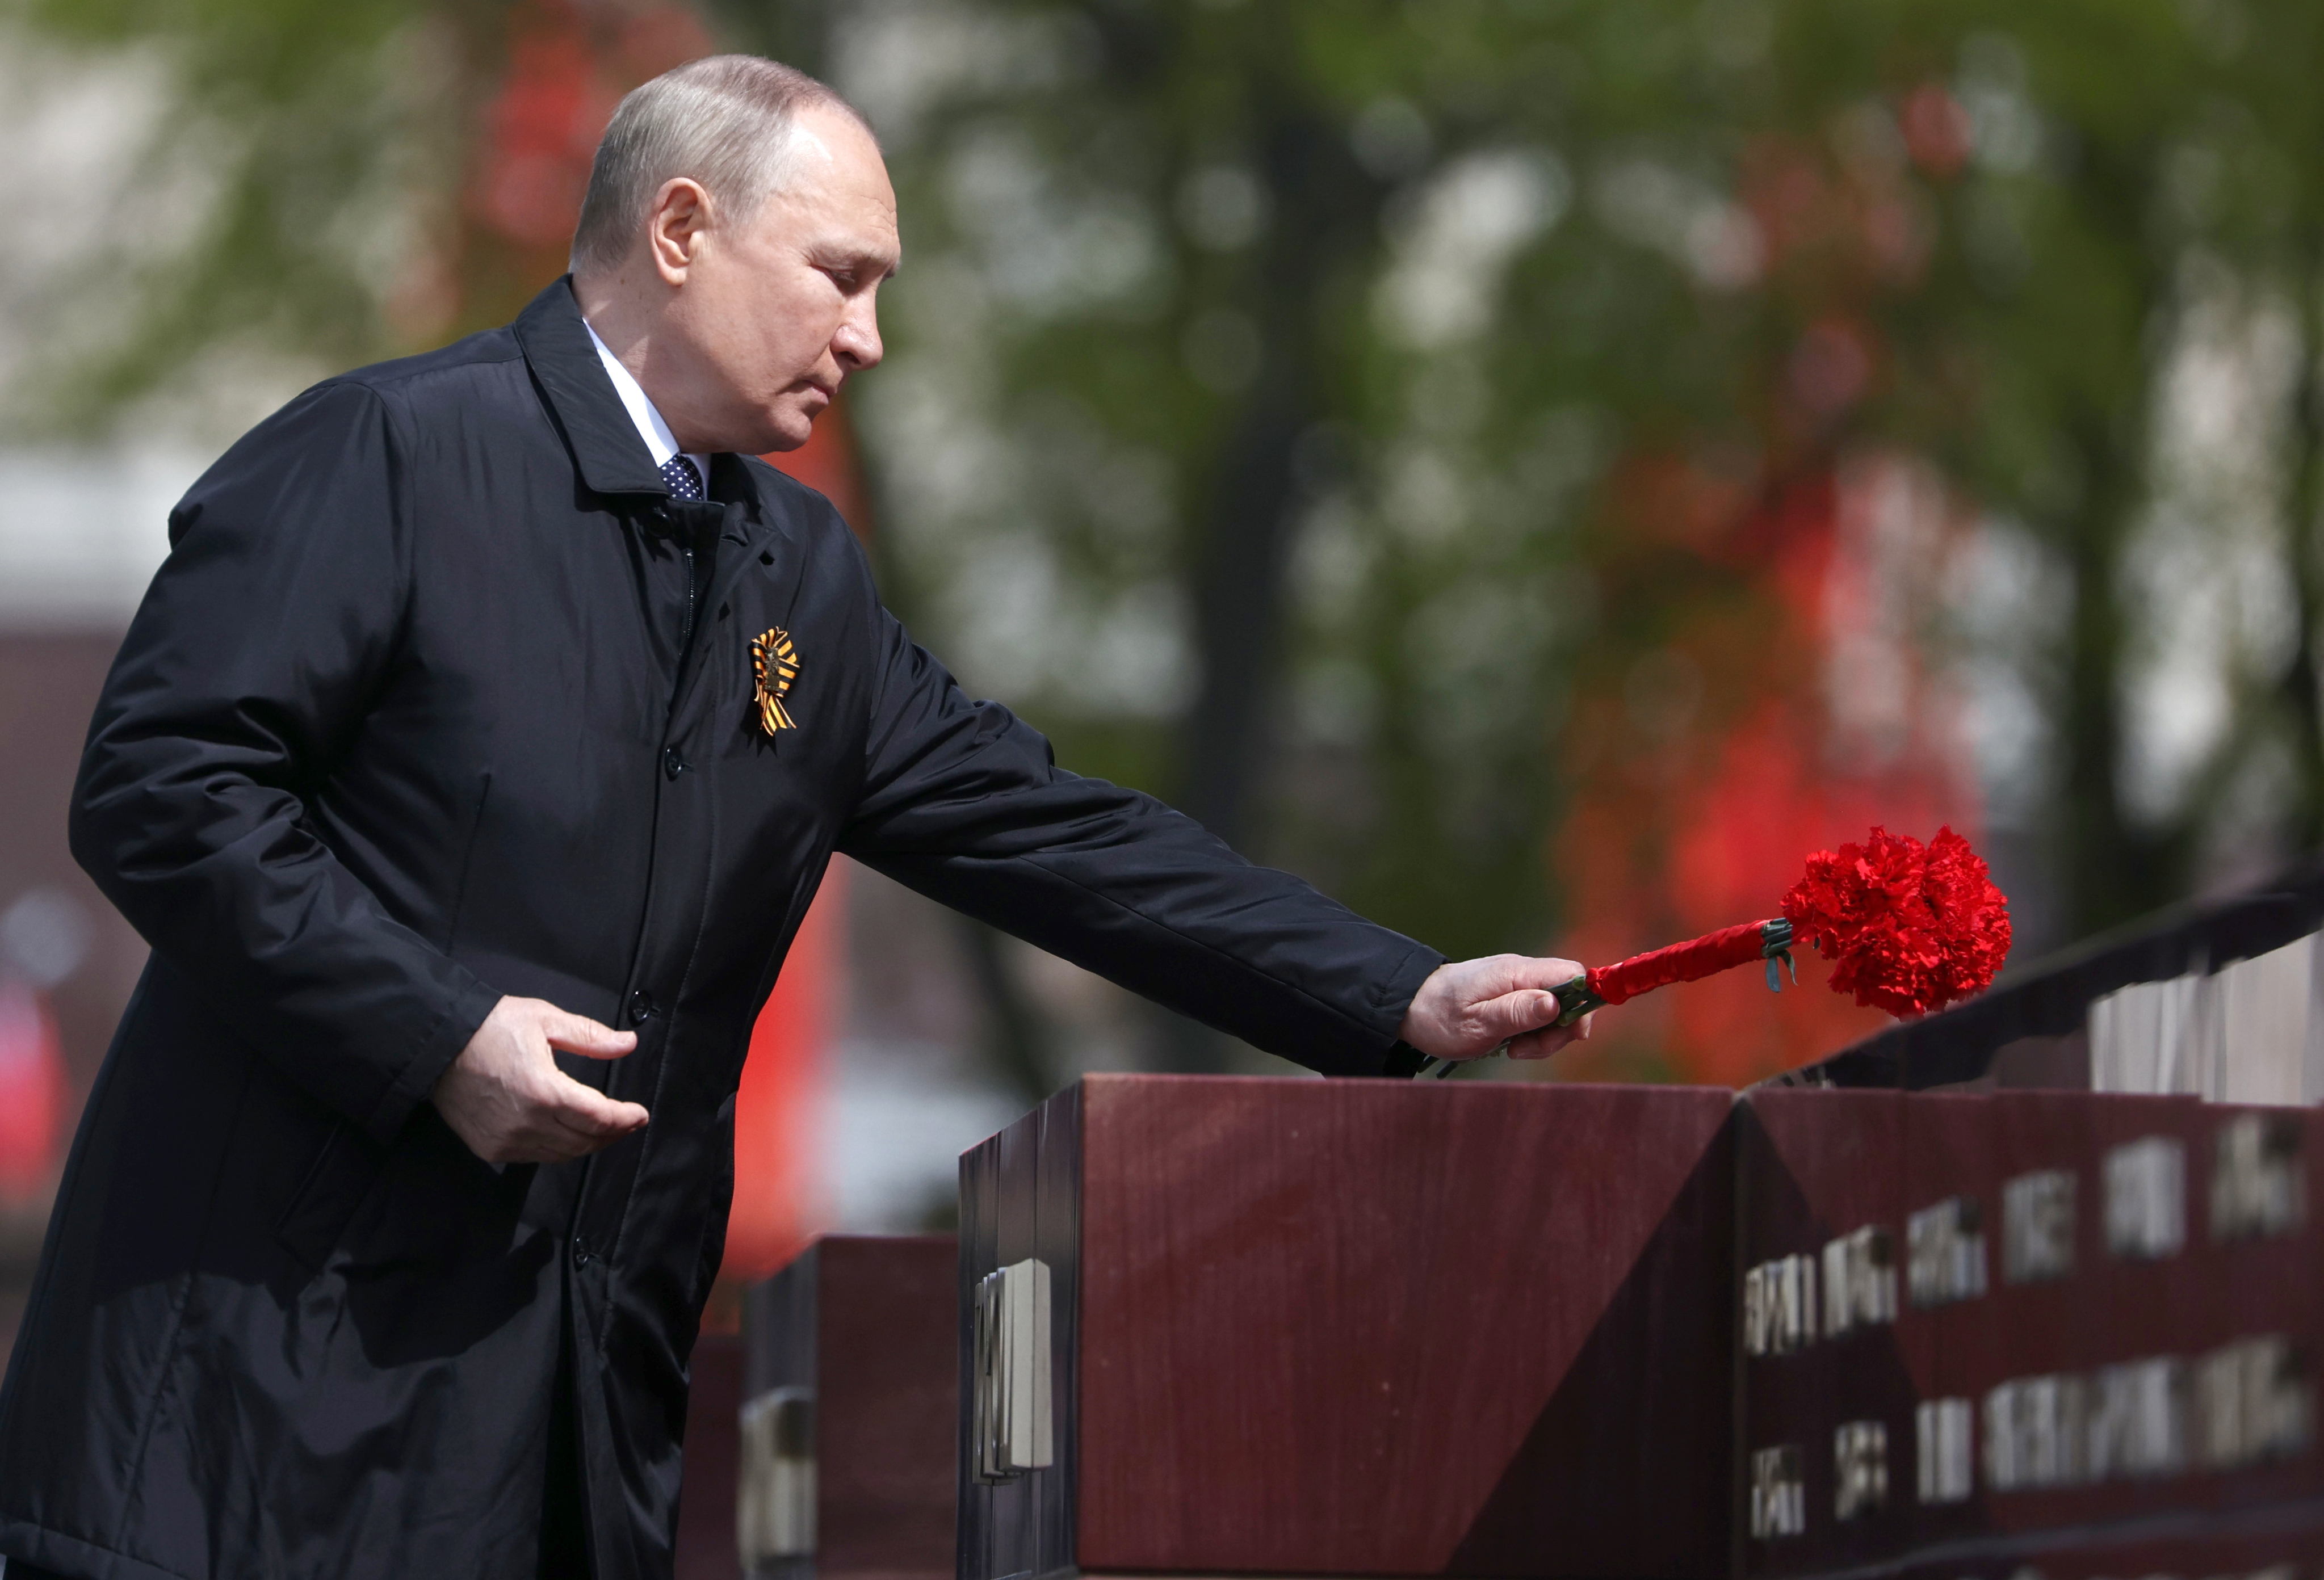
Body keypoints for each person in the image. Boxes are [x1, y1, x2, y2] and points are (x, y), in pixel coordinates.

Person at [0, 55, 1592, 1580]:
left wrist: (1392, 990)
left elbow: (1045, 829)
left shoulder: (799, 581)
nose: (873, 338)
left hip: (565, 1435)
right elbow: (161, 786)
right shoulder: (393, 455)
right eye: (843, 274)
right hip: (258, 1416)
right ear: (681, 232)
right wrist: (432, 1038)